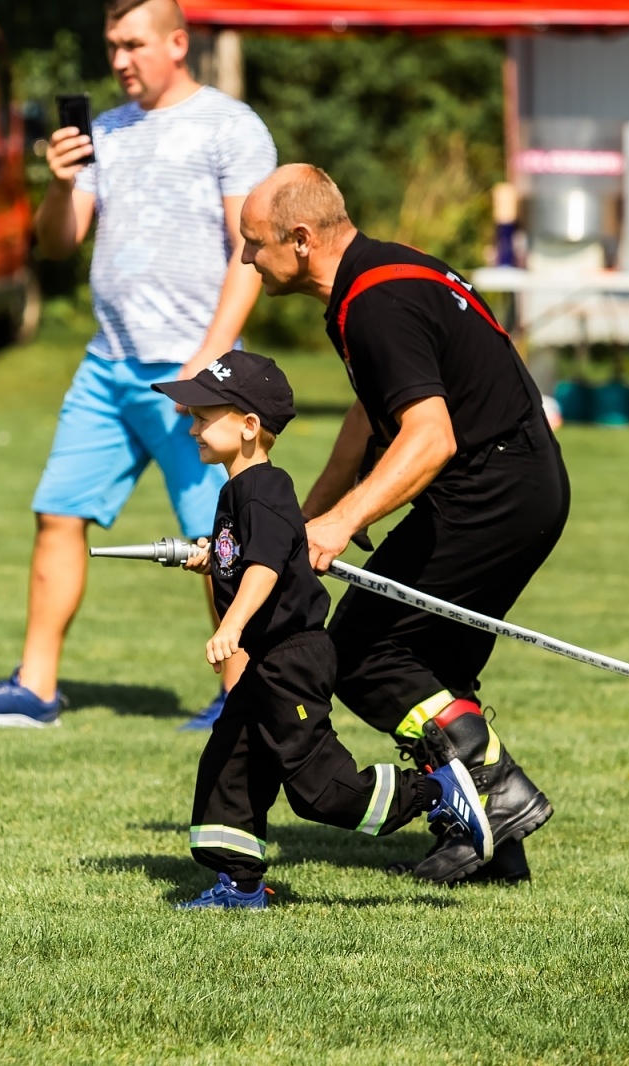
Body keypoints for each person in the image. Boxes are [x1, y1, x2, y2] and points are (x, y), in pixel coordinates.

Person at [0, 0, 277, 730]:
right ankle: (35, 689)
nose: (121, 60)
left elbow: (251, 252)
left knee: (220, 538)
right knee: (58, 513)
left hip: (196, 375)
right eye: (112, 46)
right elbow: (58, 243)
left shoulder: (231, 127)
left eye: (134, 44)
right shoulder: (107, 132)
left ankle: (240, 697)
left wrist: (211, 354)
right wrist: (60, 183)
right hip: (108, 367)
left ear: (178, 43)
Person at [237, 164, 565, 886]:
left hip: (493, 490)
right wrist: (316, 513)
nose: (246, 261)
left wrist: (345, 519)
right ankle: (490, 846)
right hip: (518, 482)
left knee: (359, 653)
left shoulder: (374, 303)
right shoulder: (378, 276)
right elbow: (371, 414)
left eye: (253, 244)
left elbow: (430, 437)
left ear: (299, 239)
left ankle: (497, 792)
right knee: (432, 670)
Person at [151, 352, 492, 909]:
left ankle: (438, 789)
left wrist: (229, 625)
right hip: (268, 659)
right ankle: (238, 885)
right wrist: (215, 560)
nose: (191, 426)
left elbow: (263, 569)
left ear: (248, 426)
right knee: (228, 764)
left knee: (323, 792)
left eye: (202, 415)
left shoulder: (263, 490)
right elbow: (256, 558)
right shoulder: (240, 493)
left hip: (290, 658)